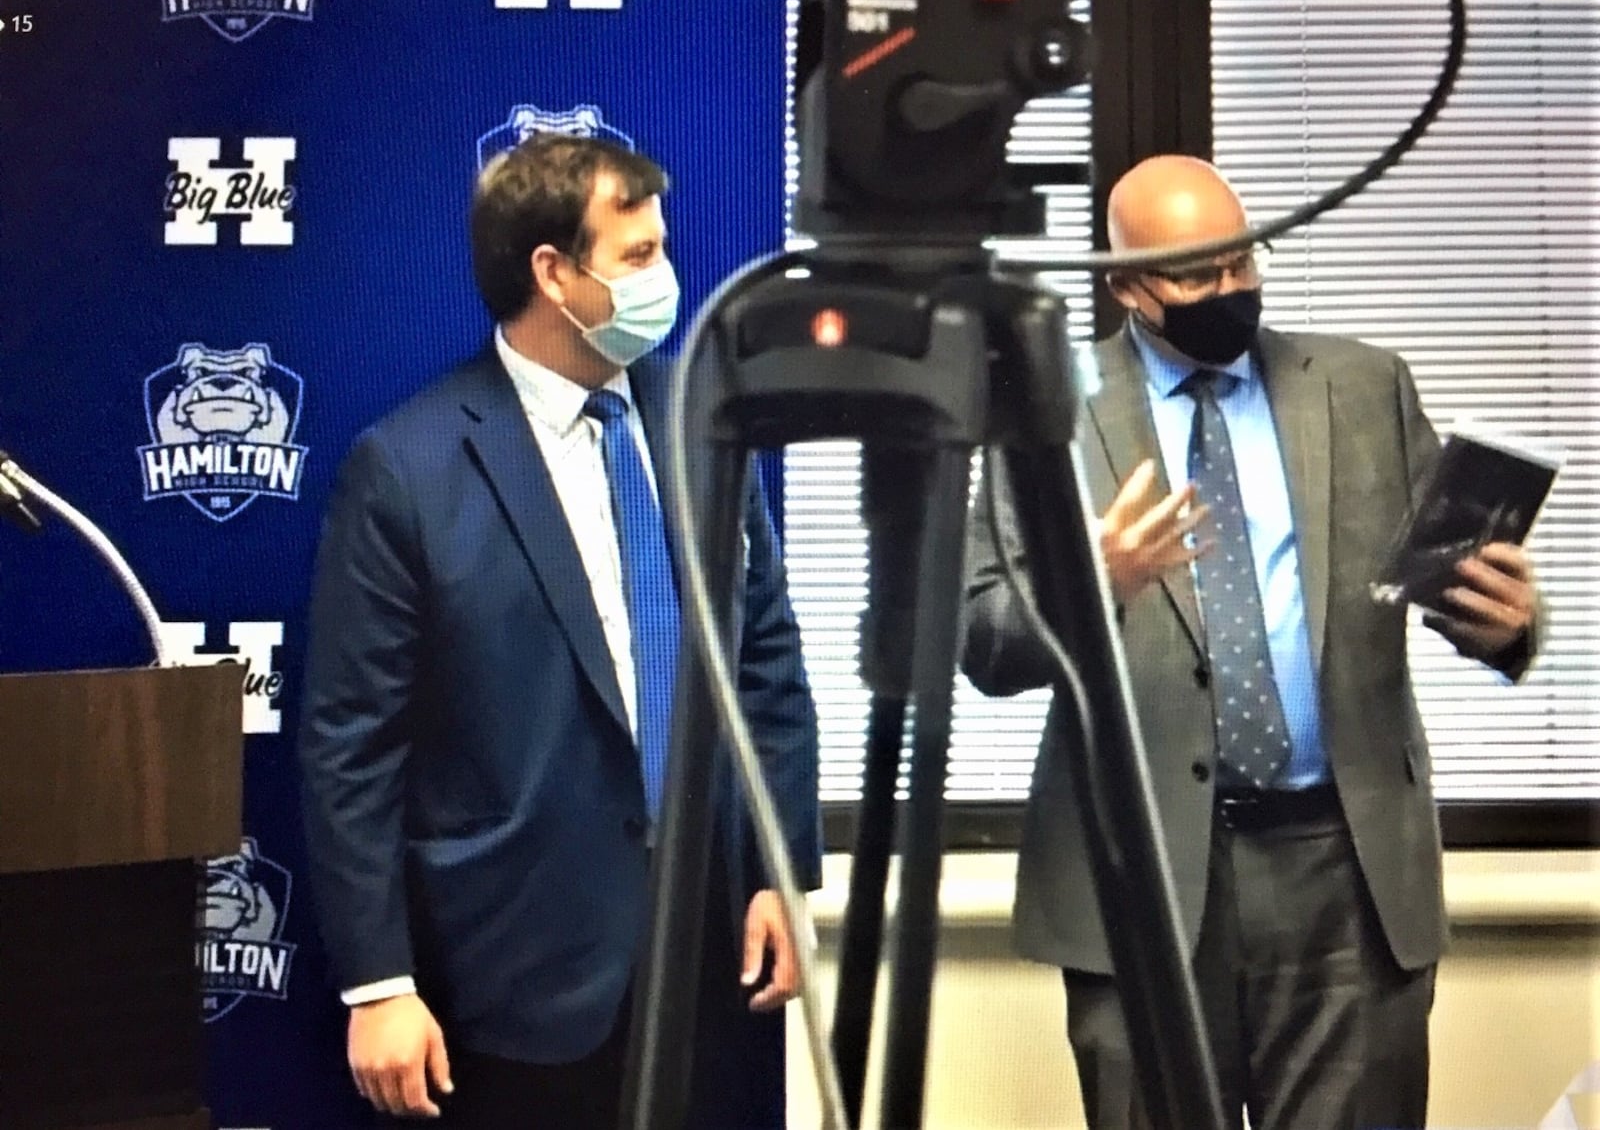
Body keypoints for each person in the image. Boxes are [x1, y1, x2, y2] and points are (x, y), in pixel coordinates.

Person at [962, 154, 1539, 1130]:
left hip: (1344, 871)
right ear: (1127, 285)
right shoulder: (1045, 409)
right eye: (1196, 274)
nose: (1229, 289)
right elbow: (984, 640)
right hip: (1139, 874)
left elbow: (1456, 583)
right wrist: (1090, 583)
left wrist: (1505, 628)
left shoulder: (1364, 388)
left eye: (1241, 261)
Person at [298, 132, 821, 1128]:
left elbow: (764, 663)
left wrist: (780, 872)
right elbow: (349, 750)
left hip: (714, 958)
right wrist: (377, 984)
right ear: (553, 272)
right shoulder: (407, 467)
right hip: (516, 982)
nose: (667, 278)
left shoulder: (705, 419)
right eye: (637, 257)